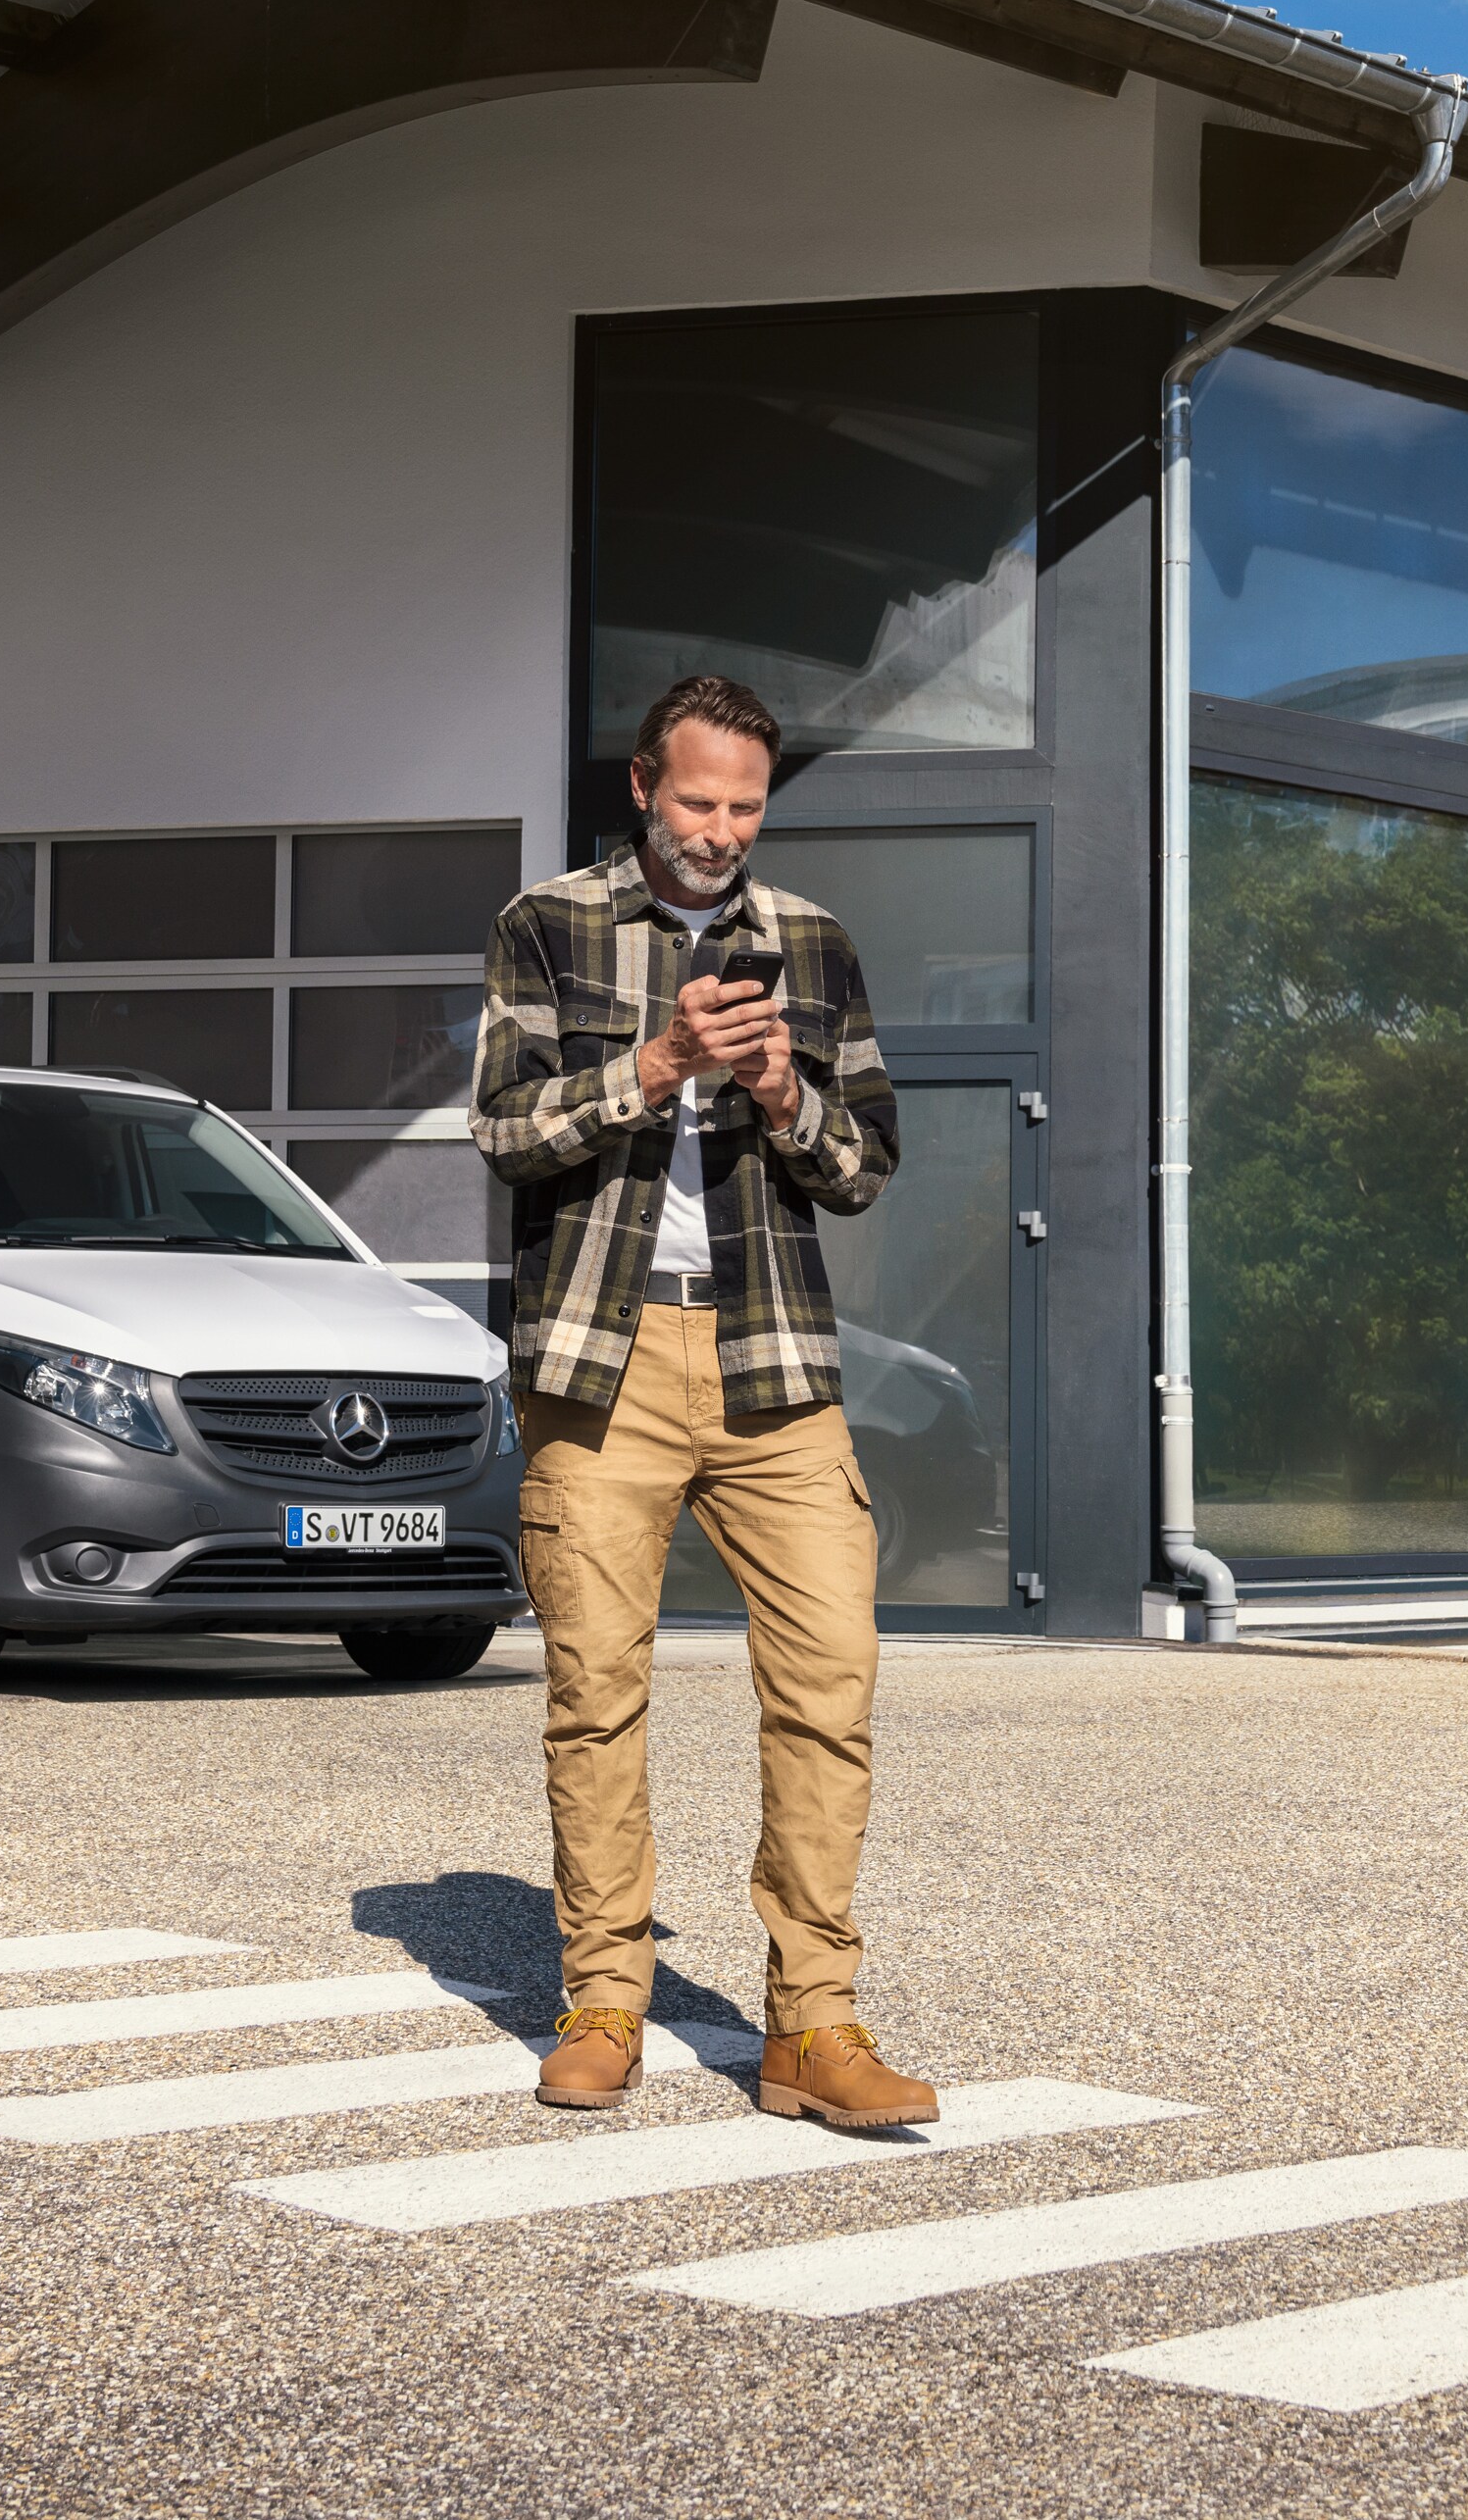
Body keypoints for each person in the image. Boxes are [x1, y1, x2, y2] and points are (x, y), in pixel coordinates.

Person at [469, 672, 933, 2130]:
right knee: (597, 1696)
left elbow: (863, 1165)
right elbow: (504, 1132)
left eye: (745, 805)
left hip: (770, 1360)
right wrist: (658, 1065)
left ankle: (814, 2028)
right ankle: (606, 1998)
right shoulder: (548, 926)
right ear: (641, 788)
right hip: (600, 1364)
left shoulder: (812, 943)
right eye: (697, 801)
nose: (722, 830)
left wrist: (788, 1094)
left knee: (828, 1688)